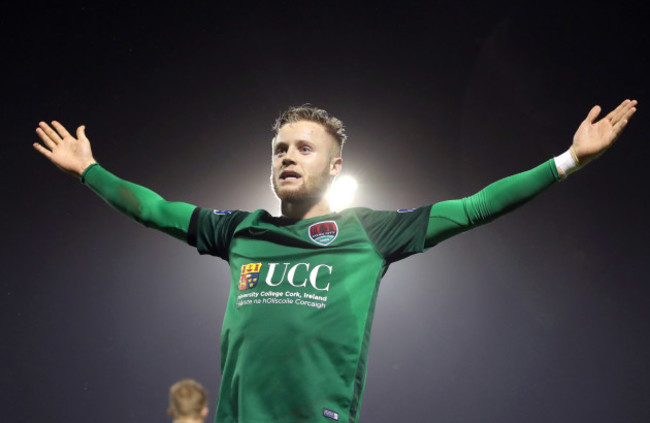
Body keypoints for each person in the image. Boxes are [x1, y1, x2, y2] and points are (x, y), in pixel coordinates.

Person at [34, 100, 637, 423]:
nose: (287, 157)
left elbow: (475, 207)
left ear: (335, 167)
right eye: (278, 149)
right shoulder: (238, 232)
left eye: (303, 147)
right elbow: (155, 209)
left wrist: (568, 161)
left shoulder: (371, 234)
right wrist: (89, 170)